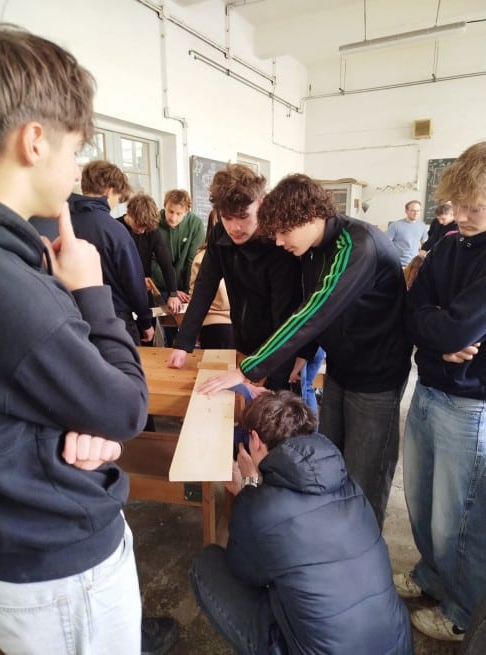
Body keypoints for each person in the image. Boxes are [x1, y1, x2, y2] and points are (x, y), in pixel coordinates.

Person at [0, 24, 177, 655]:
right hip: (54, 561)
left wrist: (67, 421)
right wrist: (91, 293)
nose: (77, 170)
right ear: (35, 141)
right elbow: (127, 409)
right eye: (75, 150)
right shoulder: (12, 285)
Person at [198, 173, 412, 529]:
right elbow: (311, 306)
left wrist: (247, 369)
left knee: (366, 474)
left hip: (376, 376)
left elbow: (313, 312)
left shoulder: (357, 246)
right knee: (334, 460)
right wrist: (305, 352)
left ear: (311, 216)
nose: (279, 241)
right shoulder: (312, 248)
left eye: (284, 232)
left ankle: (360, 543)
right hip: (342, 367)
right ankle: (332, 535)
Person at [190, 391, 413, 655]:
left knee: (208, 564)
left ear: (255, 440)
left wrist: (249, 488)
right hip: (396, 644)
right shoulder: (349, 485)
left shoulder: (261, 507)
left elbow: (244, 569)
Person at [394, 142, 486, 642]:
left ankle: (462, 610)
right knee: (422, 501)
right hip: (428, 388)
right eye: (459, 205)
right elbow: (412, 314)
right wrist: (437, 341)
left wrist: (437, 331)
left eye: (476, 207)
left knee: (462, 519)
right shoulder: (448, 246)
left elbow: (457, 329)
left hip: (470, 405)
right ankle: (431, 576)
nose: (463, 216)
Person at [167, 163, 304, 392]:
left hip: (282, 345)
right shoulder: (221, 233)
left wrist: (274, 383)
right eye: (227, 217)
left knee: (278, 403)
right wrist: (183, 343)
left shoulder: (280, 244)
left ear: (260, 203)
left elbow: (286, 317)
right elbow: (204, 286)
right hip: (243, 339)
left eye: (243, 216)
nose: (235, 227)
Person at [69, 160, 155, 346]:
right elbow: (133, 280)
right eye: (118, 198)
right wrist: (145, 320)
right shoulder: (114, 230)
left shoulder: (61, 222)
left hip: (72, 320)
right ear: (109, 191)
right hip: (114, 319)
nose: (116, 204)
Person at [118, 192, 182, 315]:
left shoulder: (152, 230)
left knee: (149, 323)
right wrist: (135, 280)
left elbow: (165, 263)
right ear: (130, 213)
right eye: (139, 226)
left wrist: (173, 294)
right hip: (120, 294)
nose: (142, 231)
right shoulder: (116, 228)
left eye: (145, 228)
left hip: (144, 292)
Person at [189, 209, 235, 349]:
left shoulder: (200, 257)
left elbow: (195, 296)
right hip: (227, 323)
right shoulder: (236, 256)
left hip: (213, 324)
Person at [152, 188, 205, 303]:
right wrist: (173, 290)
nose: (173, 218)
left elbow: (192, 261)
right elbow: (152, 261)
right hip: (159, 287)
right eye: (170, 211)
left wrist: (188, 292)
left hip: (186, 288)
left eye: (179, 214)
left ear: (186, 212)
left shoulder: (196, 225)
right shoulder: (153, 223)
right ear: (164, 206)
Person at [386, 200, 429, 266]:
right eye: (412, 210)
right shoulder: (395, 225)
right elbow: (386, 244)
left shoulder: (422, 226)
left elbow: (425, 244)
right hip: (398, 263)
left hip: (414, 264)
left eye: (418, 211)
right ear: (406, 211)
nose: (416, 213)